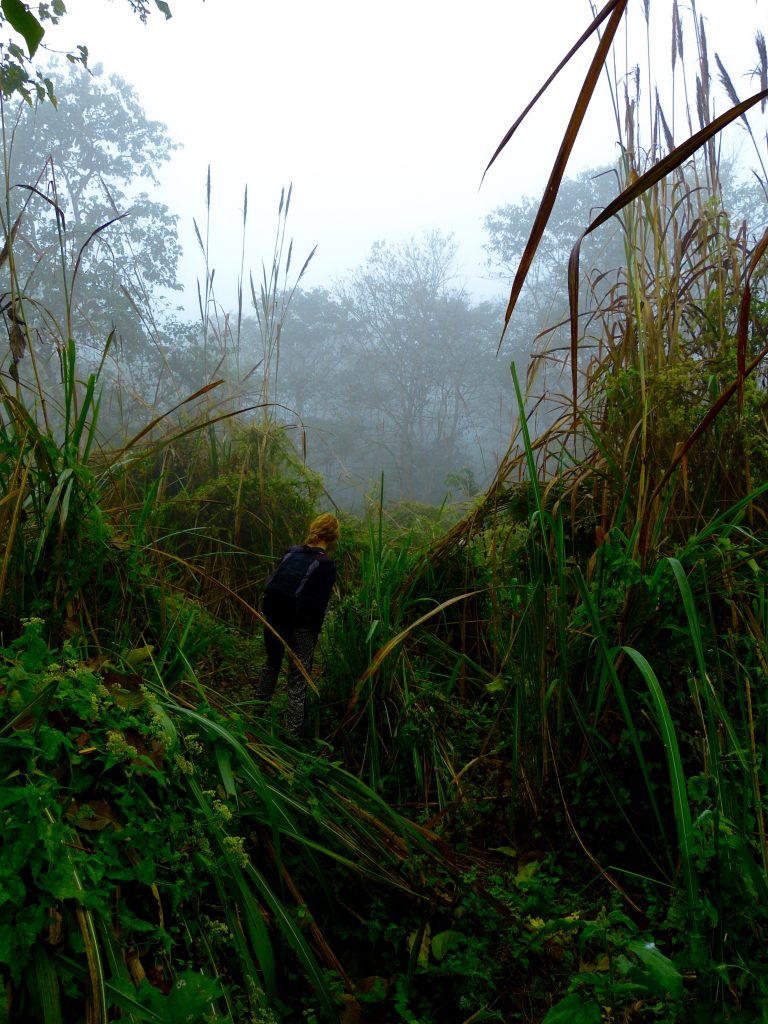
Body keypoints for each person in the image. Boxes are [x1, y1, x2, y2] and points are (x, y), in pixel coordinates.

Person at [255, 513, 340, 736]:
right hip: (301, 628)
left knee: (271, 665)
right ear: (332, 538)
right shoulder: (326, 565)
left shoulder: (292, 552)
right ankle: (292, 736)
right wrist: (314, 633)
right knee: (298, 680)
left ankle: (255, 714)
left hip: (273, 619)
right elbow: (320, 607)